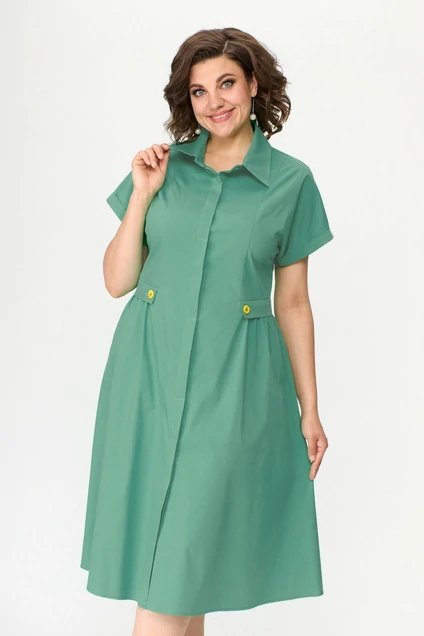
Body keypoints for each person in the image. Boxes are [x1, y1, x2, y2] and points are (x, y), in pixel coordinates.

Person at [80, 26, 334, 636]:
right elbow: (117, 282)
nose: (214, 102)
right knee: (176, 579)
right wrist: (141, 196)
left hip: (233, 387)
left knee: (182, 565)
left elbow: (293, 302)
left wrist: (310, 410)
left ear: (254, 85)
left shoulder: (291, 181)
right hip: (146, 379)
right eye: (199, 91)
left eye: (226, 83)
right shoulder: (162, 169)